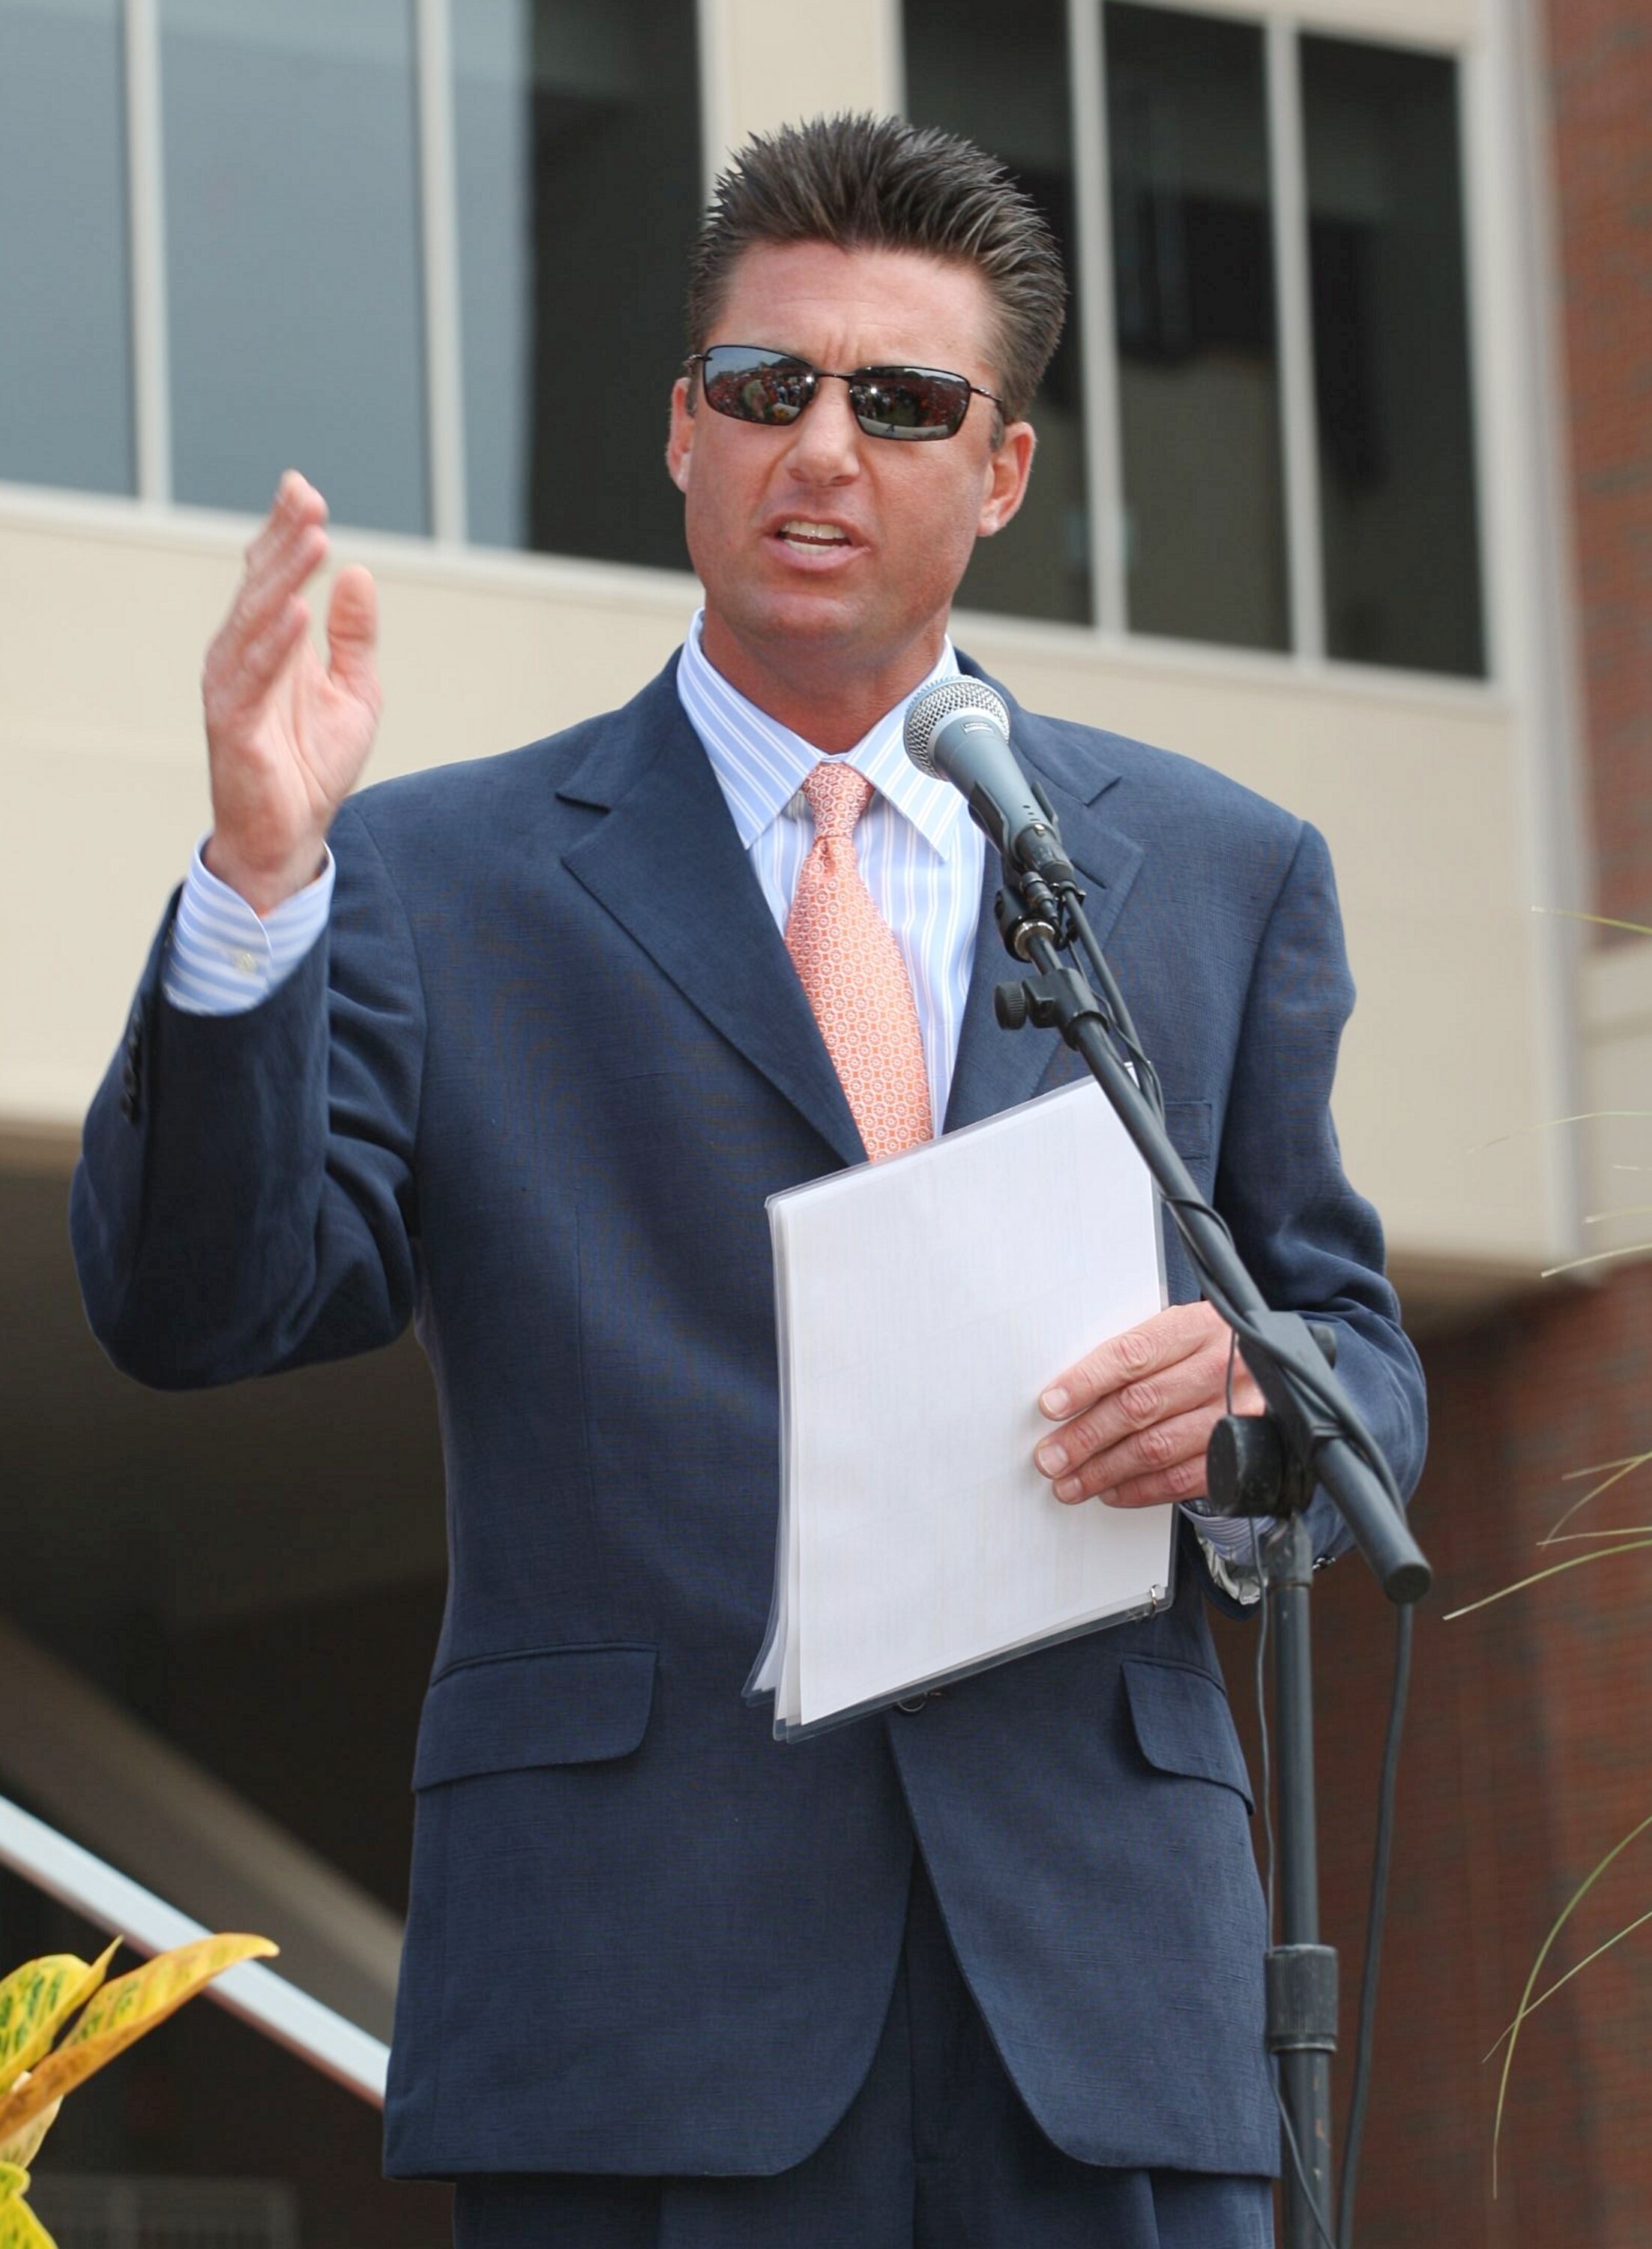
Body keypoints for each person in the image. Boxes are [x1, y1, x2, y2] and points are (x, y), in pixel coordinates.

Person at [73, 115, 1425, 2249]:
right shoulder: (433, 874)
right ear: (679, 436)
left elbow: (1342, 1330)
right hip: (639, 2001)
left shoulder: (1216, 871)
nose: (822, 446)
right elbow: (198, 1303)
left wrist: (1253, 1413)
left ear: (999, 475)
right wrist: (258, 887)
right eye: (763, 388)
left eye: (900, 403)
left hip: (1098, 1998)